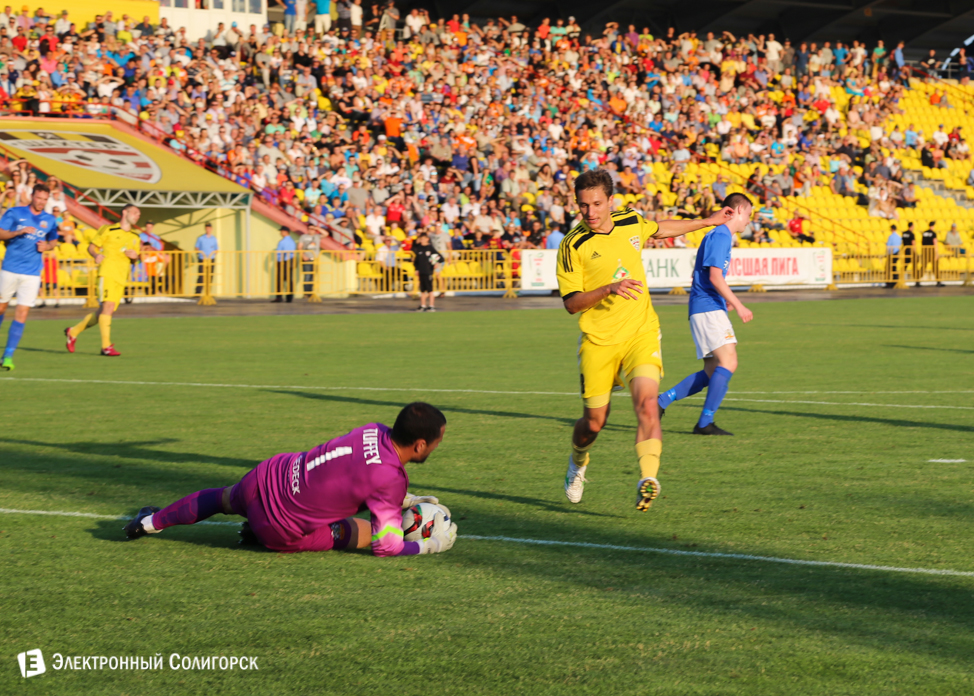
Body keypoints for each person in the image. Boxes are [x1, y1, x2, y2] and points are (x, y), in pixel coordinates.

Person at [555, 168, 733, 511]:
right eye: (582, 206)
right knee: (594, 423)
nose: (589, 213)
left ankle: (647, 478)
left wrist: (707, 221)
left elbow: (662, 229)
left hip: (641, 332)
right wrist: (608, 288)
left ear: (610, 201)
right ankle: (578, 461)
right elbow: (571, 304)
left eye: (595, 204)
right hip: (599, 341)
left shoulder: (629, 221)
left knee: (648, 404)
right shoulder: (572, 244)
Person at [123, 402, 458, 557]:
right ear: (419, 445)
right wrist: (427, 545)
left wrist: (408, 499)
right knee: (364, 529)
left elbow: (354, 474)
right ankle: (258, 534)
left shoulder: (371, 431)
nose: (438, 445)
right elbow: (386, 546)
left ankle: (149, 522)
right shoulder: (390, 479)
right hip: (279, 527)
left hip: (266, 476)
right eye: (438, 440)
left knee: (222, 498)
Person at [657, 193, 755, 436]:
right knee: (729, 362)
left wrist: (724, 301)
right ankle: (704, 423)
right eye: (749, 215)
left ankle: (661, 402)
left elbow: (704, 277)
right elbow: (714, 276)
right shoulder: (721, 235)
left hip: (706, 306)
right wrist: (738, 304)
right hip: (706, 307)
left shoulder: (720, 235)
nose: (749, 221)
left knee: (712, 372)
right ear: (739, 210)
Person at [65, 205, 141, 357]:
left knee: (105, 311)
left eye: (139, 214)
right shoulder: (108, 229)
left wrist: (135, 257)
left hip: (121, 277)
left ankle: (73, 332)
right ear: (124, 212)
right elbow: (92, 247)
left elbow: (135, 259)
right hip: (107, 273)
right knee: (108, 307)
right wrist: (96, 255)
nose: (137, 215)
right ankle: (106, 346)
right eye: (134, 212)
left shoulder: (135, 237)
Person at [0, 183, 58, 371]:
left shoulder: (49, 220)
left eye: (44, 199)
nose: (41, 202)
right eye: (38, 198)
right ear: (32, 196)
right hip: (10, 268)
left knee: (22, 313)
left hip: (32, 274)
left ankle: (8, 356)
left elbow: (54, 240)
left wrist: (47, 247)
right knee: (1, 308)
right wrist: (18, 232)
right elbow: (1, 233)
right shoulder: (15, 213)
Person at [412, 231, 440, 312]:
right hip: (421, 271)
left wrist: (435, 263)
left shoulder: (430, 248)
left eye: (424, 239)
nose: (422, 240)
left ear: (427, 239)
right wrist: (416, 269)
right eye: (421, 239)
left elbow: (439, 257)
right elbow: (416, 261)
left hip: (428, 271)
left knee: (430, 290)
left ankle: (431, 306)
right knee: (422, 290)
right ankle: (423, 305)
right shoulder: (419, 248)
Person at [194, 223, 218, 296]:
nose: (208, 230)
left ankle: (208, 293)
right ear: (205, 229)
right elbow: (196, 248)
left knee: (210, 276)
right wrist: (200, 254)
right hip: (202, 259)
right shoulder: (200, 238)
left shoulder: (214, 239)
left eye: (209, 228)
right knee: (201, 276)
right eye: (207, 228)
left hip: (211, 259)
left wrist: (212, 255)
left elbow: (216, 249)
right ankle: (198, 293)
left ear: (211, 229)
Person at [274, 227, 297, 302]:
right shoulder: (292, 241)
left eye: (281, 231)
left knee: (280, 279)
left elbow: (281, 253)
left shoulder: (283, 242)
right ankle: (289, 297)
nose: (280, 233)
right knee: (289, 279)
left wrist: (279, 261)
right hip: (290, 260)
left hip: (284, 261)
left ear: (285, 232)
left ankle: (279, 296)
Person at [920, 221, 944, 287]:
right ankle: (938, 281)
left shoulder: (924, 233)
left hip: (925, 251)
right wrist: (936, 253)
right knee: (935, 267)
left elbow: (922, 242)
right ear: (933, 226)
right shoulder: (933, 233)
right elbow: (935, 243)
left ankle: (917, 280)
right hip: (932, 252)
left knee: (923, 266)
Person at [885, 224, 902, 288]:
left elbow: (888, 246)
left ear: (892, 229)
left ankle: (889, 283)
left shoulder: (891, 236)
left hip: (891, 254)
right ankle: (895, 281)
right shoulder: (899, 237)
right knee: (894, 267)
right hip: (897, 253)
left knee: (889, 268)